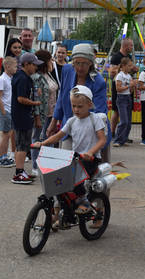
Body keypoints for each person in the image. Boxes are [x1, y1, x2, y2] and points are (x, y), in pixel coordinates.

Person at [33, 85, 106, 214]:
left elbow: (102, 140)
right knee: (56, 177)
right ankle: (62, 212)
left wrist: (90, 152)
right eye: (73, 106)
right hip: (75, 158)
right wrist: (43, 143)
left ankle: (84, 201)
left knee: (76, 177)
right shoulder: (72, 121)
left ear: (89, 104)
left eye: (80, 106)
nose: (76, 109)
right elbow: (58, 136)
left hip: (91, 159)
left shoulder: (95, 119)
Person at [46, 43, 111, 162]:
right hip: (69, 124)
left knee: (88, 168)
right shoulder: (67, 70)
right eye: (77, 63)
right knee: (66, 163)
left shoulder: (98, 81)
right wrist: (53, 121)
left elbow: (100, 112)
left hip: (90, 130)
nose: (80, 68)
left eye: (84, 63)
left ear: (91, 62)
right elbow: (62, 97)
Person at [10, 53, 42, 184]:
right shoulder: (22, 78)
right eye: (34, 65)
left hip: (23, 116)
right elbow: (21, 98)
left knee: (22, 145)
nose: (36, 67)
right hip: (21, 116)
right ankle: (19, 173)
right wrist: (35, 103)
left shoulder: (25, 77)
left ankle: (21, 170)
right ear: (27, 64)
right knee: (22, 145)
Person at [31, 50, 58, 176]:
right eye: (50, 60)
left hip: (52, 113)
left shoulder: (49, 74)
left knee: (50, 139)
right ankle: (36, 166)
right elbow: (37, 98)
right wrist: (37, 116)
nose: (52, 62)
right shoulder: (37, 77)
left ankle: (49, 166)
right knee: (38, 138)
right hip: (42, 114)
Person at [109, 38, 138, 141]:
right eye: (131, 46)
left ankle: (124, 135)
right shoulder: (116, 57)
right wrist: (121, 68)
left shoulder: (129, 57)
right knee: (116, 111)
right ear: (126, 46)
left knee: (127, 111)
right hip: (118, 87)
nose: (132, 48)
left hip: (128, 88)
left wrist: (133, 69)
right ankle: (112, 133)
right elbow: (111, 72)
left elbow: (129, 71)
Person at [113, 58, 137, 147]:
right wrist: (128, 86)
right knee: (124, 121)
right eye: (129, 66)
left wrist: (133, 86)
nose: (130, 68)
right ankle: (117, 140)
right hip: (121, 98)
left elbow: (130, 91)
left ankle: (123, 139)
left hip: (128, 98)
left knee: (128, 122)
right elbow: (118, 89)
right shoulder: (119, 75)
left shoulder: (129, 76)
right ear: (123, 66)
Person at [0, 57, 17, 167]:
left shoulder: (10, 78)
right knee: (5, 135)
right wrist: (3, 111)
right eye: (15, 66)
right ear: (7, 67)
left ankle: (4, 156)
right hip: (5, 110)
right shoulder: (2, 79)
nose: (16, 68)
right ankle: (2, 157)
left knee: (8, 134)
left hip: (10, 110)